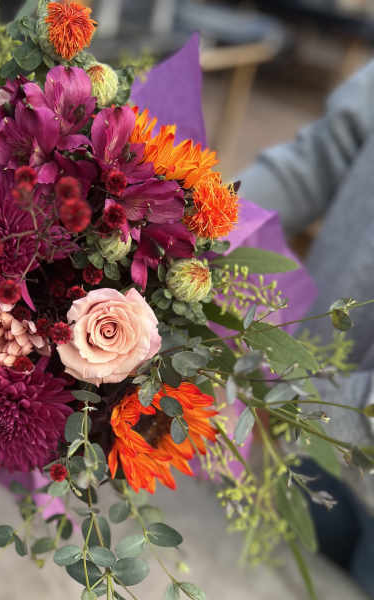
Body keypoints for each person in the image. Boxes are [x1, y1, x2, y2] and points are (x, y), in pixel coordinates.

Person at [238, 60, 374, 595]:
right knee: (297, 546)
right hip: (311, 420)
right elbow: (320, 155)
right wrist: (195, 229)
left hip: (323, 412)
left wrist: (295, 403)